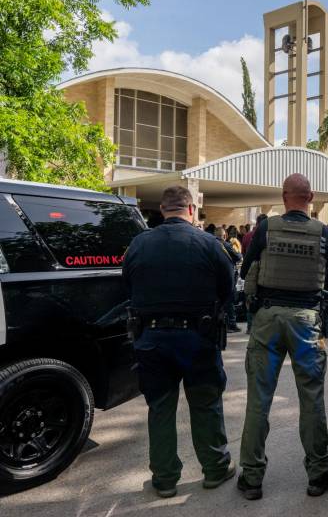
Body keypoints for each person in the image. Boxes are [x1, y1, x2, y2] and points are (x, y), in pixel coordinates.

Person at [122, 186, 235, 498]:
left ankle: (164, 479)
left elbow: (127, 284)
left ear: (162, 209)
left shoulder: (139, 243)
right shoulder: (209, 243)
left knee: (160, 408)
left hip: (152, 339)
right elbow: (228, 291)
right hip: (199, 338)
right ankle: (214, 468)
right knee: (206, 405)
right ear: (191, 210)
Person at [238, 174, 328, 500]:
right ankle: (319, 473)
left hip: (267, 318)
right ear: (310, 197)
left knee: (258, 399)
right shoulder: (324, 233)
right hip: (306, 320)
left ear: (284, 197)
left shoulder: (266, 228)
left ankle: (252, 478)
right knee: (311, 398)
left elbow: (245, 272)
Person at [215, 227, 242, 333]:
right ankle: (231, 324)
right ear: (225, 236)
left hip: (214, 277)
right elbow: (239, 256)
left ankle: (219, 323)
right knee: (229, 301)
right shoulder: (226, 245)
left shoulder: (210, 245)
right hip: (227, 277)